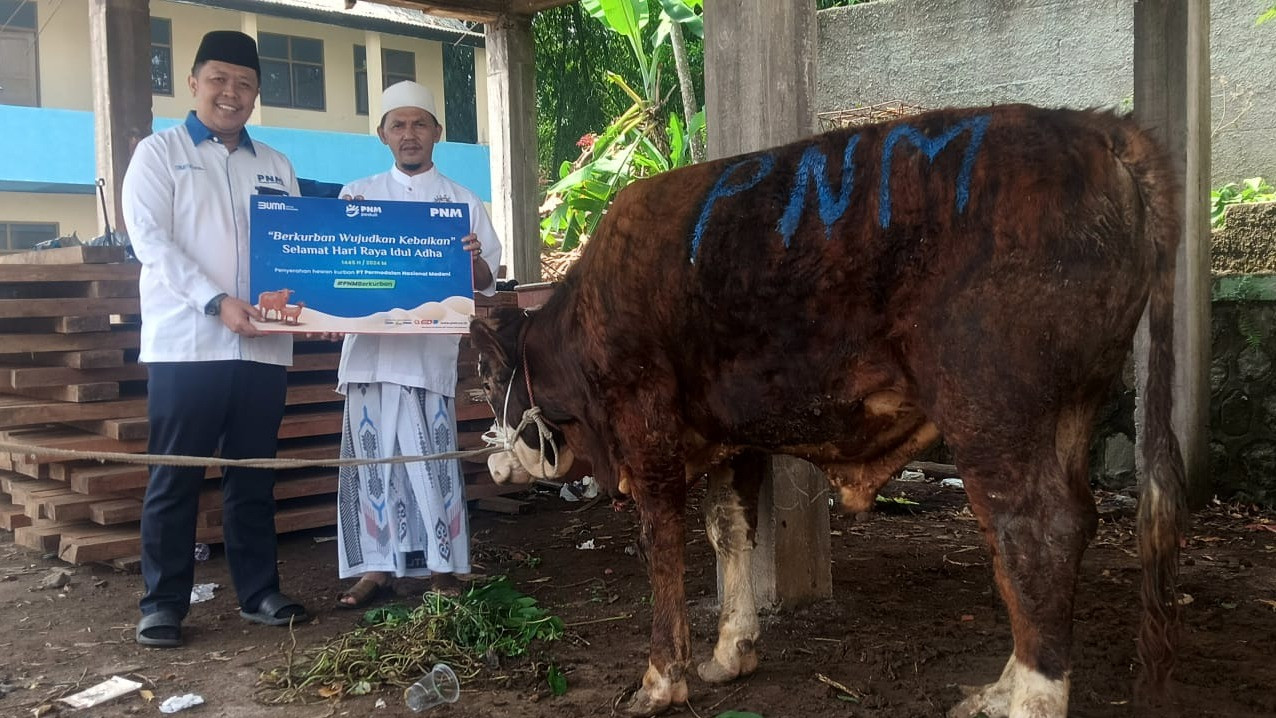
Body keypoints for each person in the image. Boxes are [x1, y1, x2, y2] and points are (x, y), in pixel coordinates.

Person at [122, 30, 311, 648]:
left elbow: (298, 251)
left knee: (252, 476)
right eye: (219, 80)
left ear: (257, 93)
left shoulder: (276, 166)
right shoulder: (159, 154)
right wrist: (215, 302)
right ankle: (164, 603)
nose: (232, 94)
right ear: (194, 83)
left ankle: (258, 593)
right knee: (175, 477)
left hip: (261, 348)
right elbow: (153, 244)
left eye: (246, 84)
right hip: (188, 347)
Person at [334, 80, 501, 608]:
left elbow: (486, 278)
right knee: (371, 465)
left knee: (435, 465)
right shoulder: (356, 196)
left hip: (427, 359)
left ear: (437, 133)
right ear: (382, 134)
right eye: (399, 125)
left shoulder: (461, 202)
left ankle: (442, 570)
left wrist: (471, 258)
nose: (410, 134)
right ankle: (376, 570)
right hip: (368, 355)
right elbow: (335, 272)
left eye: (419, 124)